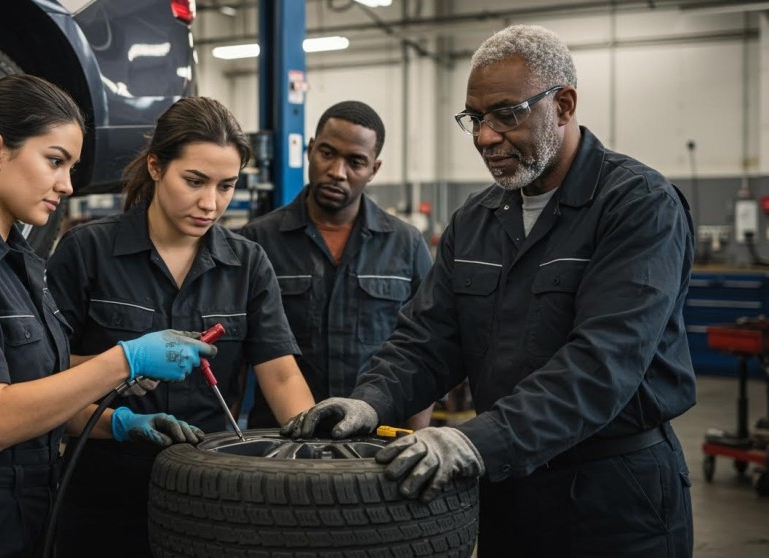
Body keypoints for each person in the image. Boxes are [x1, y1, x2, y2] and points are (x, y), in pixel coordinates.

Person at [283, 25, 695, 557]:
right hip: (508, 490)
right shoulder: (476, 219)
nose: (484, 137)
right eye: (475, 119)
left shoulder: (638, 205)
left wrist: (474, 440)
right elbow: (427, 340)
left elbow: (602, 365)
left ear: (563, 104)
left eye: (506, 114)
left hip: (615, 498)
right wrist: (371, 402)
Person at [0, 74, 217, 558]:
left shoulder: (16, 260)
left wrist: (115, 422)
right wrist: (124, 360)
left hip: (21, 506)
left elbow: (35, 388)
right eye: (55, 161)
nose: (67, 184)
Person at [45, 96, 316, 557]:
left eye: (226, 186)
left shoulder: (246, 263)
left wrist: (316, 462)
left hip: (207, 492)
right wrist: (121, 410)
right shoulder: (86, 251)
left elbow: (282, 374)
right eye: (194, 181)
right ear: (155, 166)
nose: (210, 203)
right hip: (100, 488)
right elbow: (48, 377)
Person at [238, 101, 434, 430]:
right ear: (311, 150)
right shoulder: (258, 242)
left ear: (374, 169)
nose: (337, 172)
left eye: (355, 162)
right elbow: (237, 360)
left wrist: (414, 439)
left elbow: (426, 352)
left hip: (378, 440)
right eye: (327, 153)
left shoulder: (407, 244)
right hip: (281, 441)